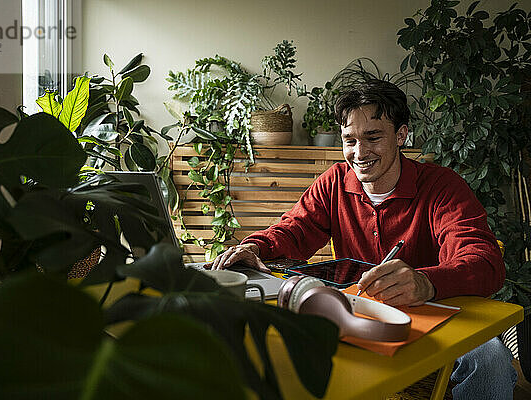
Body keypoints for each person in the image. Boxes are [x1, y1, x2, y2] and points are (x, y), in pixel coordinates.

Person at [208, 80, 517, 399]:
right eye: (350, 140)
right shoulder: (334, 182)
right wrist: (254, 246)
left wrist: (425, 283)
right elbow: (293, 229)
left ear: (401, 135)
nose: (359, 153)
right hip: (358, 317)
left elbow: (485, 264)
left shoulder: (442, 187)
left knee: (490, 359)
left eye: (373, 137)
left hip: (435, 318)